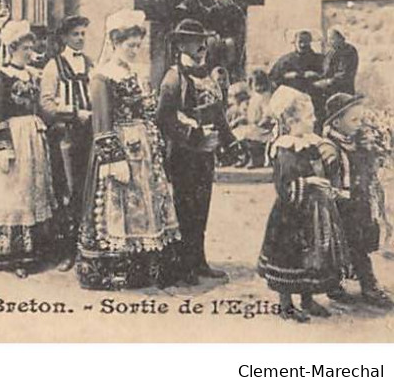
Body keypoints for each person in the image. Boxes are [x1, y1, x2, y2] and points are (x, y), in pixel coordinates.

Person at [77, 9, 180, 291]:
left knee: (143, 204)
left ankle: (142, 266)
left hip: (142, 149)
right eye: (129, 45)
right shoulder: (102, 76)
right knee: (118, 204)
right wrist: (113, 158)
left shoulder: (132, 73)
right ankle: (114, 269)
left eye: (138, 45)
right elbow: (101, 122)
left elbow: (146, 111)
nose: (135, 50)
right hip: (120, 148)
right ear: (114, 43)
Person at [157, 18, 237, 284]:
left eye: (202, 40)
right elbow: (164, 118)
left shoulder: (209, 74)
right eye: (193, 41)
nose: (201, 45)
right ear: (180, 45)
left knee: (202, 206)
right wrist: (192, 134)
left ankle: (198, 260)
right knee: (185, 208)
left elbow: (217, 110)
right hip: (184, 153)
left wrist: (229, 140)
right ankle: (183, 266)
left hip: (206, 153)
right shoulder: (173, 78)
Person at [258, 86, 348, 322]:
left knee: (310, 258)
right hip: (292, 215)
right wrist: (308, 182)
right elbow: (284, 186)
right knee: (290, 257)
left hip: (313, 212)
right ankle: (286, 305)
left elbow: (324, 163)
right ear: (291, 121)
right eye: (309, 116)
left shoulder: (309, 142)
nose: (315, 119)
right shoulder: (285, 148)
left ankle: (307, 300)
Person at [0, 20, 56, 277]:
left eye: (30, 47)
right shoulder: (1, 76)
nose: (29, 52)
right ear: (12, 48)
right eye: (25, 47)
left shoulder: (33, 74)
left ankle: (31, 251)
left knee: (31, 189)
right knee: (12, 189)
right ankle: (9, 254)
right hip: (14, 136)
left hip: (32, 136)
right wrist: (2, 148)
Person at [322, 92, 392, 308]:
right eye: (354, 120)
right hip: (339, 205)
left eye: (361, 119)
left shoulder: (358, 141)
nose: (359, 124)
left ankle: (363, 284)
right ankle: (339, 284)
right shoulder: (328, 147)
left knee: (360, 244)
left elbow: (367, 169)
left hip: (359, 202)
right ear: (336, 122)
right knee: (337, 245)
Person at [39, 16, 93, 271]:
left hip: (89, 134)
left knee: (88, 190)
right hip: (65, 136)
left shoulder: (91, 64)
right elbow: (46, 105)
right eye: (75, 34)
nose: (80, 38)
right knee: (68, 191)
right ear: (63, 38)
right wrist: (73, 113)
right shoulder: (54, 66)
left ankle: (88, 247)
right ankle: (66, 251)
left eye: (83, 34)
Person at [207, 0, 246, 81]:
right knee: (210, 41)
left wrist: (228, 39)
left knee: (229, 43)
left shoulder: (236, 12)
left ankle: (231, 71)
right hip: (216, 40)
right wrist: (214, 35)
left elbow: (240, 33)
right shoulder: (212, 11)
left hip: (232, 43)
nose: (219, 0)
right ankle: (211, 71)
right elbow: (208, 28)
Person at [313, 28, 359, 100]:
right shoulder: (331, 51)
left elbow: (343, 75)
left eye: (332, 39)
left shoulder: (348, 51)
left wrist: (327, 82)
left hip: (342, 89)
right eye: (328, 39)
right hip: (331, 85)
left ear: (341, 38)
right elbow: (326, 70)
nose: (329, 42)